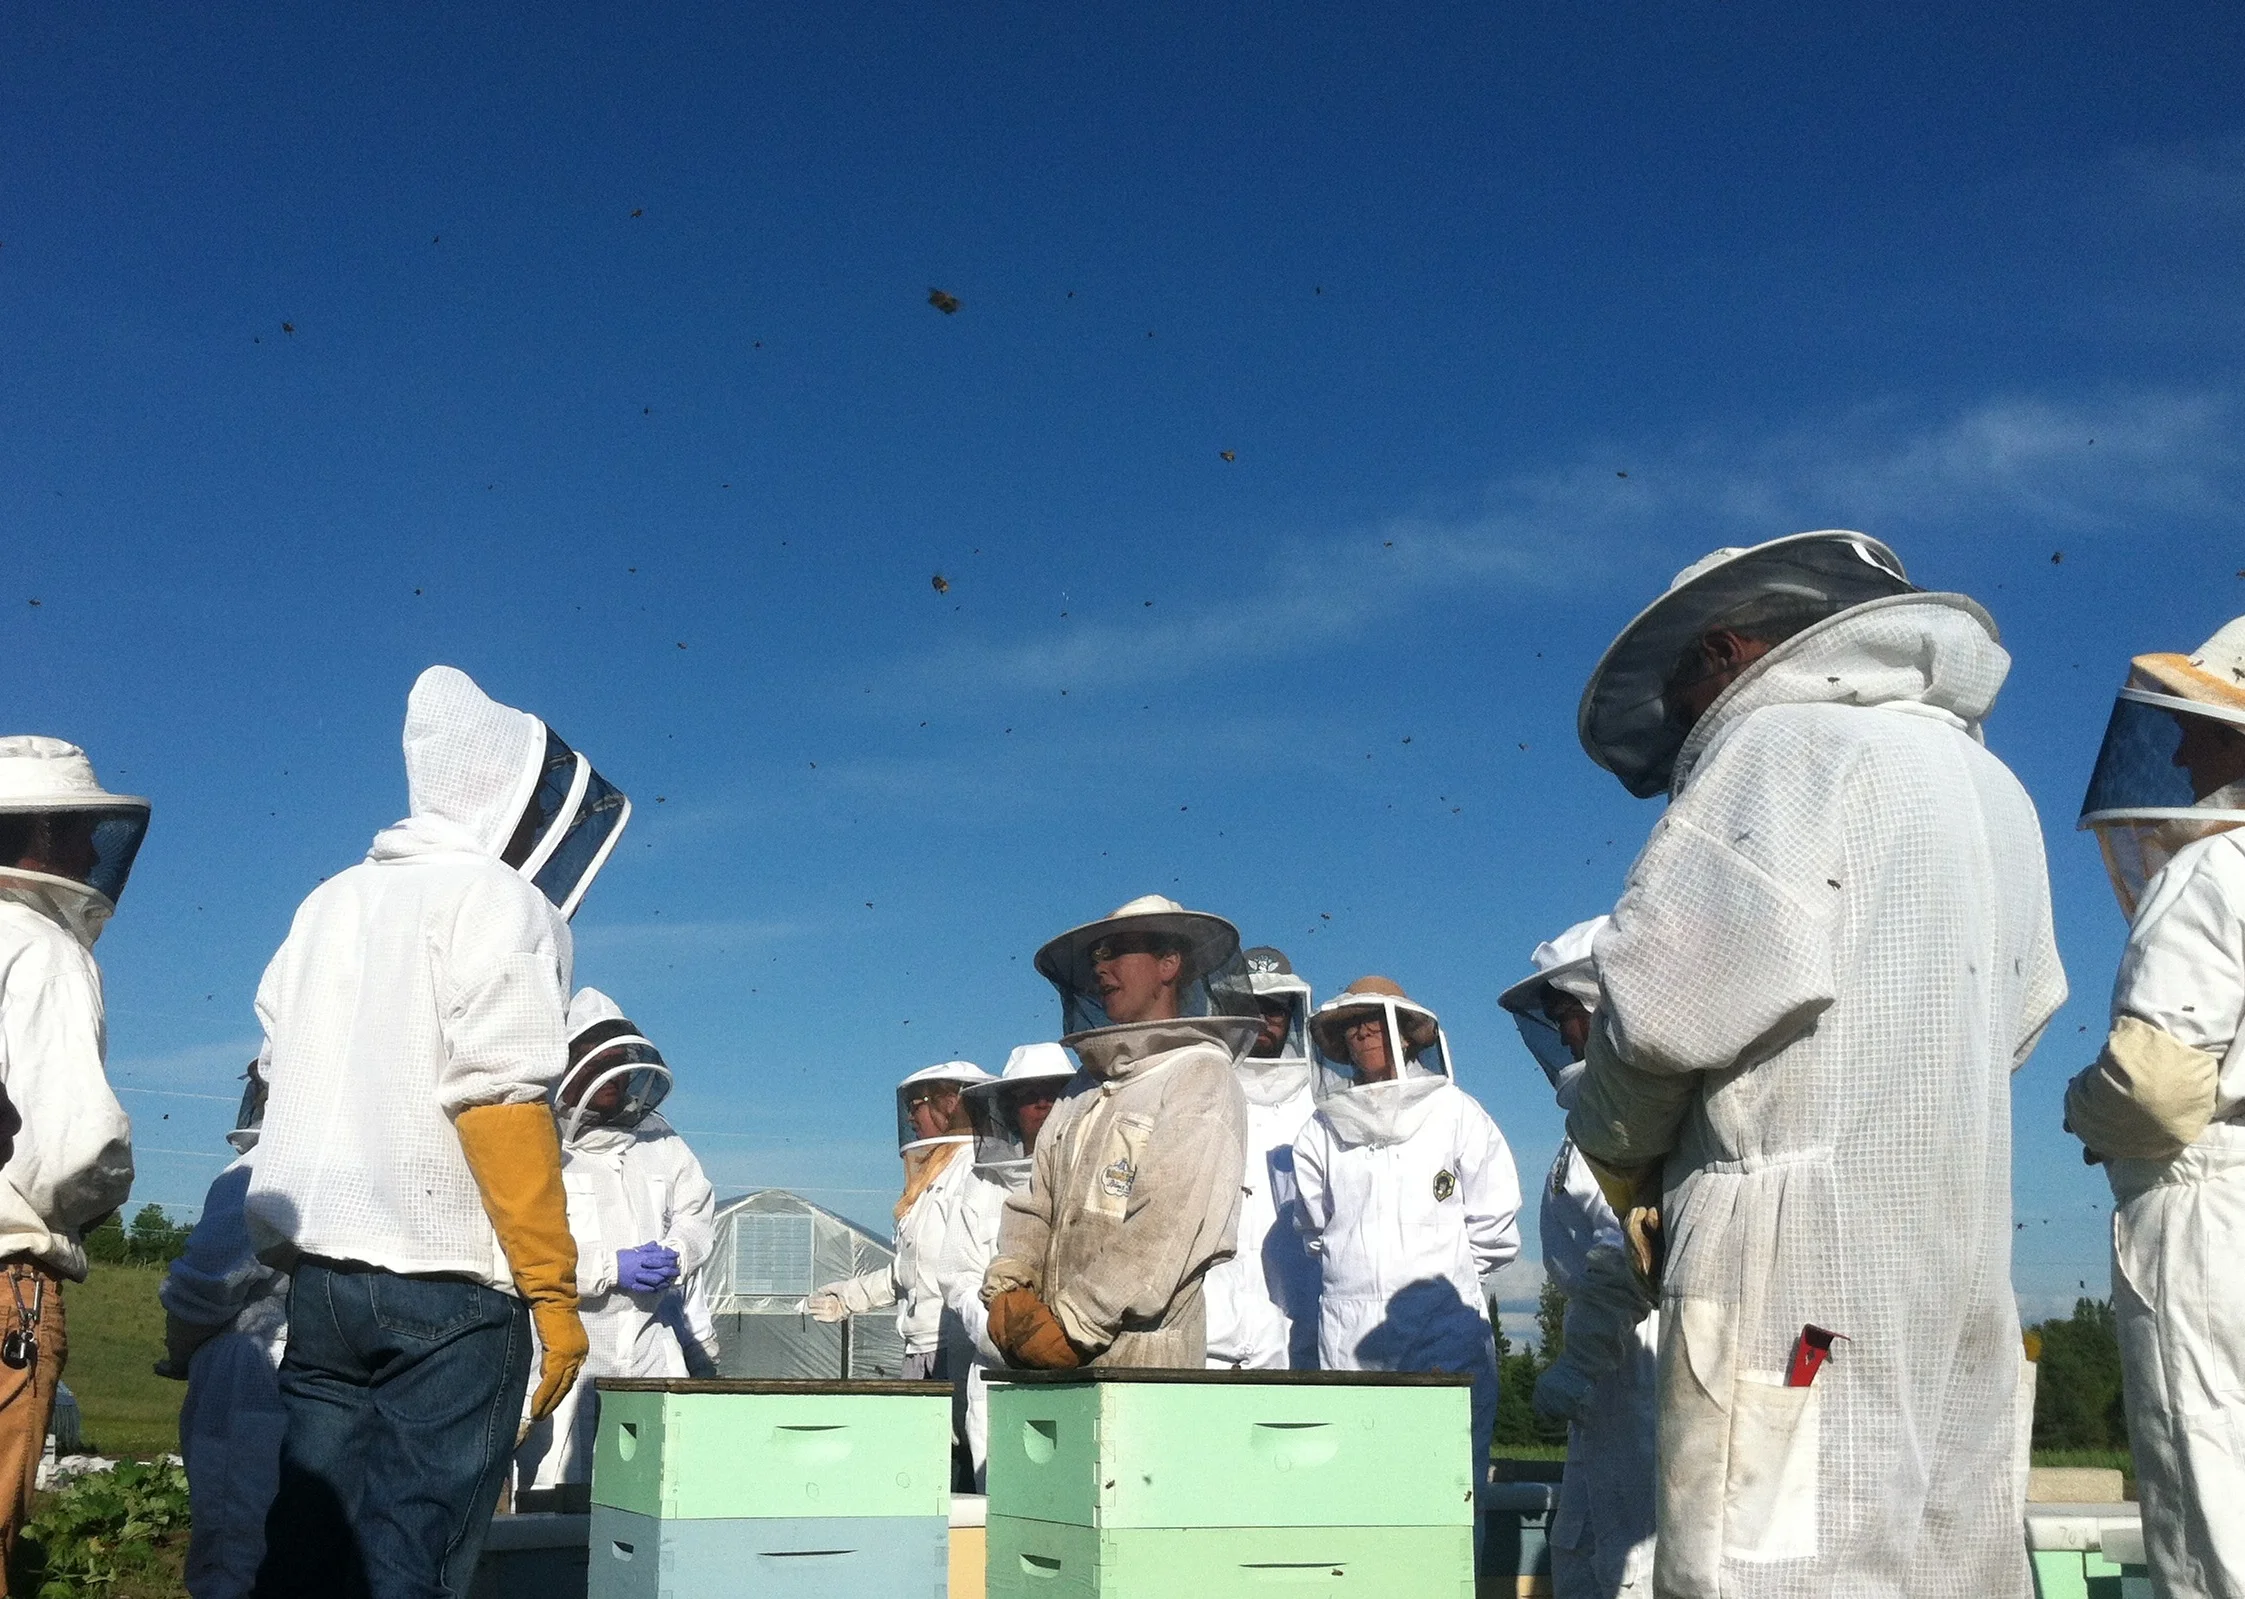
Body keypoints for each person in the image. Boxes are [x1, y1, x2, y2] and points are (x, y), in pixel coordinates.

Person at [1565, 533, 2066, 1598]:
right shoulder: (1994, 789)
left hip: (1786, 1260)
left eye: (1689, 687)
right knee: (1945, 1562)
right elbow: (2021, 1020)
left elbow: (1658, 1013)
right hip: (1957, 1252)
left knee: (1763, 1567)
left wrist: (1613, 1152)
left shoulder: (1783, 747)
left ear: (1729, 647)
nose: (1689, 720)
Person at [247, 665, 631, 1598]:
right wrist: (552, 1289)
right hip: (449, 1290)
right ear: (510, 795)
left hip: (323, 1285)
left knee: (306, 1552)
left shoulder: (326, 901)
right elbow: (499, 1099)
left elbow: (275, 1070)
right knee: (407, 1560)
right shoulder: (502, 901)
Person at [2067, 616, 2245, 1599]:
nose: (2177, 747)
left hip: (2209, 1212)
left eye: (2201, 724)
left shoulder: (2215, 869)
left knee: (2211, 1495)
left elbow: (2155, 1086)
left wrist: (2077, 1107)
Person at [1291, 977, 1520, 1549]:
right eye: (1352, 1025)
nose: (1363, 1033)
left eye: (1374, 1021)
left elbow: (1493, 1229)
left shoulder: (1457, 1113)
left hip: (1445, 1333)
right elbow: (1315, 1230)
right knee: (1354, 1493)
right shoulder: (1322, 1127)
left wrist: (1441, 1286)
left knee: (1446, 1493)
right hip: (1349, 1335)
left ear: (1409, 1035)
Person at [981, 895, 1252, 1369]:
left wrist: (1075, 1320)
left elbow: (1165, 1228)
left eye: (1116, 953)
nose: (1100, 970)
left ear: (1168, 963)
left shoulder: (1199, 1077)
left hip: (1145, 1357)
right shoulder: (1083, 1088)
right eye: (1095, 958)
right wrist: (1014, 1277)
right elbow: (1036, 1200)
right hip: (1052, 1346)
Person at [0, 735, 144, 1575]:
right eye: (80, 828)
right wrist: (100, 1197)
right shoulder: (42, 949)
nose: (94, 848)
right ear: (44, 834)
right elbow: (73, 1143)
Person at [514, 988, 717, 1512]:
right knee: (553, 1499)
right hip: (564, 1354)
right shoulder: (537, 1140)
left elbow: (697, 1212)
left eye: (620, 1063)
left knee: (652, 1501)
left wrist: (678, 1253)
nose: (616, 1078)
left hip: (649, 1350)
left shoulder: (659, 1140)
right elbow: (518, 1248)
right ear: (569, 1067)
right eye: (600, 1062)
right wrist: (607, 1270)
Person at [1499, 919, 1655, 1599]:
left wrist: (1578, 1359)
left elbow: (1633, 1248)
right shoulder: (1595, 1116)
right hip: (1606, 1370)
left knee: (1636, 1556)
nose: (1564, 1033)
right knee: (1587, 1543)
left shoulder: (1642, 1117)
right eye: (1559, 1017)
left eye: (1571, 1014)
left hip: (1645, 1358)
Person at [159, 1065, 288, 1599]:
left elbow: (207, 1283)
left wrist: (178, 1350)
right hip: (314, 1374)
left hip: (248, 1373)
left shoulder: (259, 1171)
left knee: (235, 1542)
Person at [937, 1041, 1076, 1488]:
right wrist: (997, 1328)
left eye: (1053, 1093)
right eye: (1028, 1095)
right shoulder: (980, 1183)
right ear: (1010, 1107)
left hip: (1077, 1372)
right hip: (997, 1377)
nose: (1041, 1105)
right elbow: (956, 1274)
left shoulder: (1091, 1171)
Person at [807, 1060, 993, 1380]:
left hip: (961, 1349)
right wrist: (849, 1297)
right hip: (921, 1349)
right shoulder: (934, 1177)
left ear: (948, 1106)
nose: (910, 1117)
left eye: (916, 1106)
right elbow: (912, 1269)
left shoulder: (976, 1172)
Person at [1204, 946, 1319, 1371]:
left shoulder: (1321, 1103)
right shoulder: (1202, 1090)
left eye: (1275, 1009)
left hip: (1304, 1311)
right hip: (1219, 1313)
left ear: (1293, 1017)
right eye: (1251, 1007)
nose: (1264, 1019)